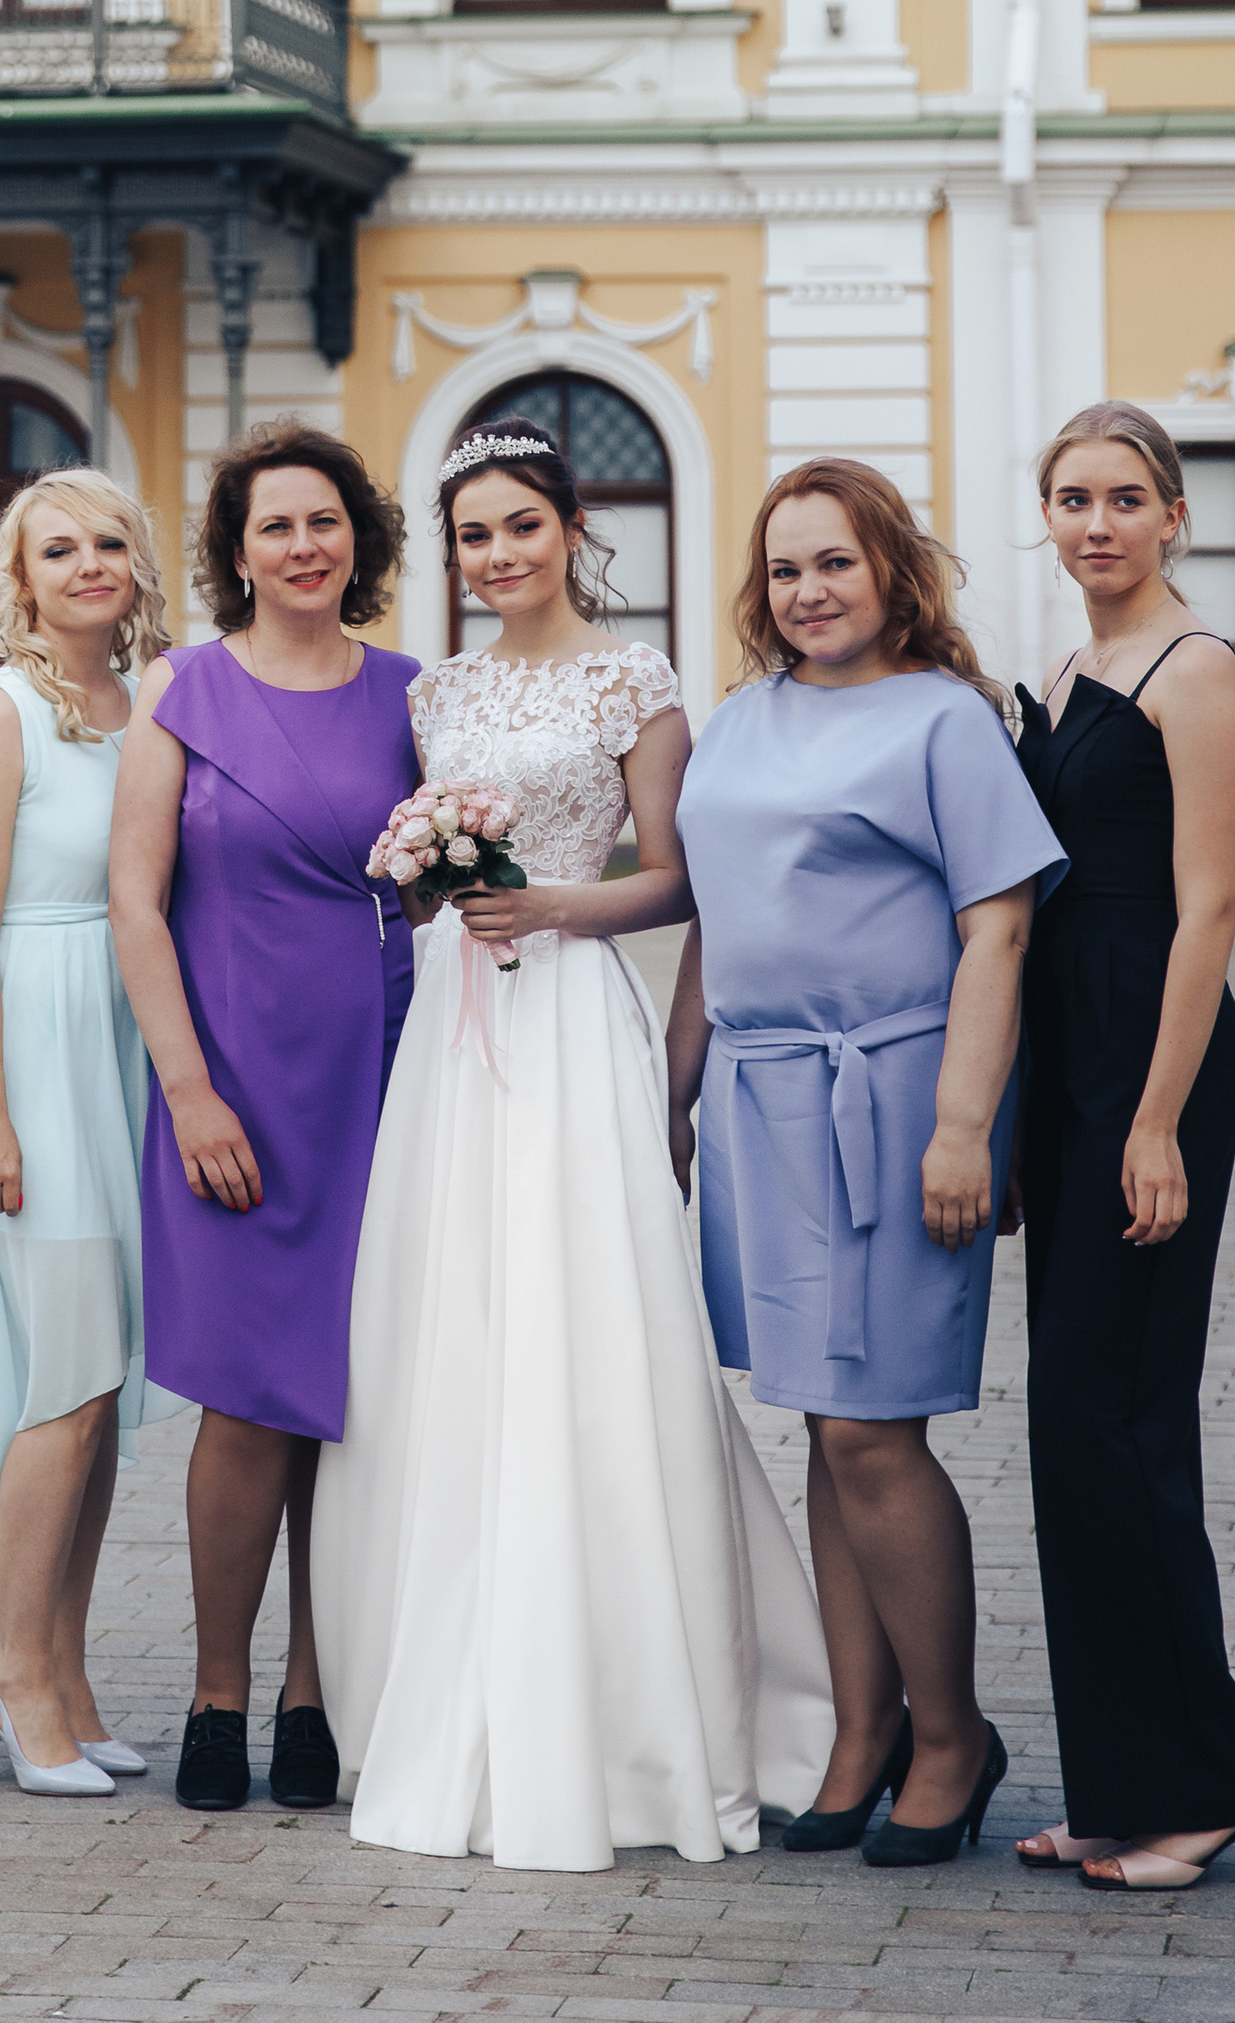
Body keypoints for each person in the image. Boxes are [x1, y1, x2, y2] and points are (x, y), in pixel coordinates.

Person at [310, 428, 836, 1868]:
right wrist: (429, 881)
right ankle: (446, 1674)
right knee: (456, 1323)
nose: (498, 557)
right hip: (456, 1037)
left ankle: (640, 1707)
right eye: (474, 535)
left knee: (589, 1326)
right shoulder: (443, 691)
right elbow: (424, 882)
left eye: (521, 527)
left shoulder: (636, 678)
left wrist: (553, 908)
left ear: (569, 529)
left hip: (572, 1028)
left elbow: (680, 879)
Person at [667, 459, 1064, 1868]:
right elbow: (714, 920)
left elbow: (999, 933)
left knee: (871, 1430)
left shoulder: (947, 725)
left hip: (895, 1094)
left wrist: (966, 1123)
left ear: (895, 574)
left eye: (834, 562)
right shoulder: (739, 721)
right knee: (822, 1426)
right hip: (763, 1097)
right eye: (784, 569)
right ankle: (859, 1726)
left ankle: (951, 1734)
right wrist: (676, 1087)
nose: (808, 591)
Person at [107, 421, 418, 1815]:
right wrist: (188, 1090)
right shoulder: (181, 691)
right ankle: (217, 1693)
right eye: (276, 526)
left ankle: (318, 1692)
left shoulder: (418, 696)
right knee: (244, 1401)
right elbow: (135, 902)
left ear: (361, 542)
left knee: (351, 1403)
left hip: (383, 1077)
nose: (305, 545)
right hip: (230, 1082)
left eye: (326, 522)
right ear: (238, 555)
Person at [1011, 405, 1235, 1893]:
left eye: (1126, 498)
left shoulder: (1197, 673)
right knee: (1074, 1433)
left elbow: (1210, 911)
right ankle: (1120, 1786)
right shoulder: (1067, 669)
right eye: (1072, 498)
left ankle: (1206, 1789)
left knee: (1118, 1418)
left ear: (1173, 515)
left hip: (1152, 1053)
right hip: (1071, 1056)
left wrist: (1158, 1118)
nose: (1098, 522)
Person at [0, 469, 178, 1798]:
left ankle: (69, 1678)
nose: (89, 565)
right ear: (16, 581)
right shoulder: (3, 712)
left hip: (122, 1048)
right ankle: (12, 1679)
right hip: (34, 1042)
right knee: (65, 1380)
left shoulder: (140, 706)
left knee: (105, 1385)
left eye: (108, 545)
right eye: (57, 550)